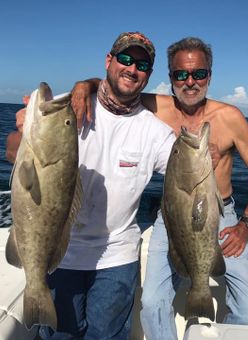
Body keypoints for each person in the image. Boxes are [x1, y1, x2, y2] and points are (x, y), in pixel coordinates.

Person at [71, 36, 248, 339]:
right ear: (170, 78)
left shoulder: (230, 117)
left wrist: (245, 224)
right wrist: (82, 86)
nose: (190, 82)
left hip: (223, 215)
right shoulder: (157, 107)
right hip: (173, 215)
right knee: (152, 303)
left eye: (198, 74)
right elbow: (116, 83)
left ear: (209, 76)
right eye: (180, 75)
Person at [6, 32, 176, 340]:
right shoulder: (67, 109)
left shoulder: (155, 132)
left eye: (141, 64)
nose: (132, 68)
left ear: (148, 75)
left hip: (117, 258)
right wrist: (22, 130)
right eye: (125, 59)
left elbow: (183, 176)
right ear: (108, 61)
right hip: (60, 254)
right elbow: (11, 151)